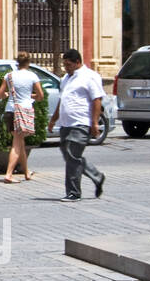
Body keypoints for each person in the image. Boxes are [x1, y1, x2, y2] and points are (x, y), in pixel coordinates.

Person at [46, 48, 107, 200]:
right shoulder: (66, 78)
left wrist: (94, 123)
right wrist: (54, 119)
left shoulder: (89, 77)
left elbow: (97, 100)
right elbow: (62, 100)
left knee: (72, 155)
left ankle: (73, 193)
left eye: (68, 64)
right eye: (64, 64)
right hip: (67, 123)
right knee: (70, 155)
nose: (65, 67)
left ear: (77, 62)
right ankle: (97, 176)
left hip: (81, 122)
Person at [0, 51, 44, 184]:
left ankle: (26, 172)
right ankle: (9, 174)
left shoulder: (9, 75)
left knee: (20, 141)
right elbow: (40, 96)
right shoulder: (32, 76)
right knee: (17, 144)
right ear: (28, 62)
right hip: (24, 110)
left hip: (10, 111)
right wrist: (31, 96)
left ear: (17, 62)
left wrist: (6, 95)